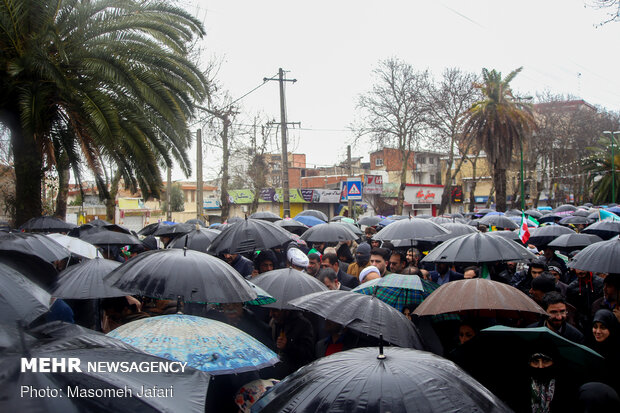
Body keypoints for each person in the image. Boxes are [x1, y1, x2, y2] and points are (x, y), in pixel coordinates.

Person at [269, 309, 315, 378]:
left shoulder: (303, 324)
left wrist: (288, 345)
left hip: (296, 376)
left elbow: (308, 352)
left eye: (275, 311)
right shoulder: (275, 324)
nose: (271, 314)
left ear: (286, 310)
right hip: (279, 374)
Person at [588, 309, 620, 393]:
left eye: (603, 327)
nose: (598, 331)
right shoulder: (589, 347)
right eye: (595, 326)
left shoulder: (616, 352)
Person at [567, 269, 604, 334]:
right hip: (581, 324)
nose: (580, 271)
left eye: (583, 269)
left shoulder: (600, 283)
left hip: (599, 320)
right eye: (578, 268)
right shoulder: (572, 287)